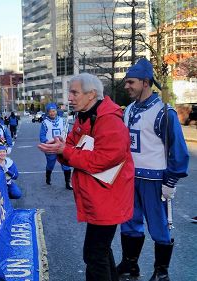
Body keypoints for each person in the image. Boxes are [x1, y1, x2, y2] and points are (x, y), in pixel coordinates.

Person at [38, 72, 134, 281]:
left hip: (108, 197)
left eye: (74, 92)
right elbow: (71, 148)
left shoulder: (108, 120)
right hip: (99, 196)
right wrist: (60, 148)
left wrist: (65, 151)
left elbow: (103, 159)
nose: (69, 98)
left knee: (94, 253)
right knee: (100, 250)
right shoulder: (86, 116)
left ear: (91, 95)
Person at [117, 58, 189, 281]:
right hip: (130, 178)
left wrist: (170, 182)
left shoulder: (164, 113)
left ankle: (161, 272)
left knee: (159, 227)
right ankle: (130, 266)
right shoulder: (128, 110)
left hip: (155, 181)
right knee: (129, 223)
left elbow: (178, 151)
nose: (127, 86)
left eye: (131, 82)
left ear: (145, 82)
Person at [40, 103, 72, 190]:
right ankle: (48, 176)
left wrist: (69, 142)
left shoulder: (63, 121)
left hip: (62, 146)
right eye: (50, 112)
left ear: (56, 111)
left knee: (66, 164)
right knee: (51, 164)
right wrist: (47, 142)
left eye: (53, 111)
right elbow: (42, 136)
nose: (52, 113)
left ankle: (68, 183)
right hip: (51, 147)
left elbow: (68, 133)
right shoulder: (45, 123)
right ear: (47, 112)